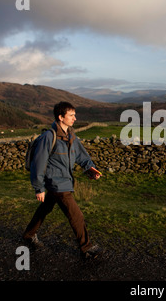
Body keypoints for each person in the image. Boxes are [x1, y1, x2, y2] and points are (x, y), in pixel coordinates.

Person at [22, 101, 102, 259]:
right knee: (76, 215)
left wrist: (90, 168)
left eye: (74, 115)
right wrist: (39, 188)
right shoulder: (48, 137)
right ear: (60, 117)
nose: (75, 118)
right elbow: (39, 163)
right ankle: (86, 247)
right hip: (57, 184)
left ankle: (29, 234)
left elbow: (81, 155)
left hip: (63, 182)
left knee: (44, 209)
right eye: (71, 115)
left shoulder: (71, 135)